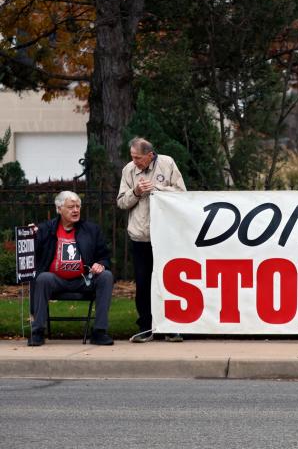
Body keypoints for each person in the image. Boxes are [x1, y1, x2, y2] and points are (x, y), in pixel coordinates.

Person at [117, 137, 187, 343]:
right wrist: (136, 192)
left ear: (150, 155)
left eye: (138, 157)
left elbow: (182, 193)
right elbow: (121, 202)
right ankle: (145, 326)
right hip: (140, 236)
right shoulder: (128, 171)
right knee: (143, 282)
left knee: (168, 280)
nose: (134, 161)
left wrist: (157, 189)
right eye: (132, 157)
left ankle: (171, 326)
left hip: (165, 236)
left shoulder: (167, 164)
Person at [27, 191, 114, 346]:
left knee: (106, 276)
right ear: (59, 209)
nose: (75, 210)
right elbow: (33, 251)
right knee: (43, 278)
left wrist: (101, 264)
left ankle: (99, 332)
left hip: (84, 279)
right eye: (71, 207)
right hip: (56, 280)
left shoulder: (91, 230)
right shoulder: (46, 229)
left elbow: (105, 256)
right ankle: (37, 332)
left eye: (78, 206)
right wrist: (31, 235)